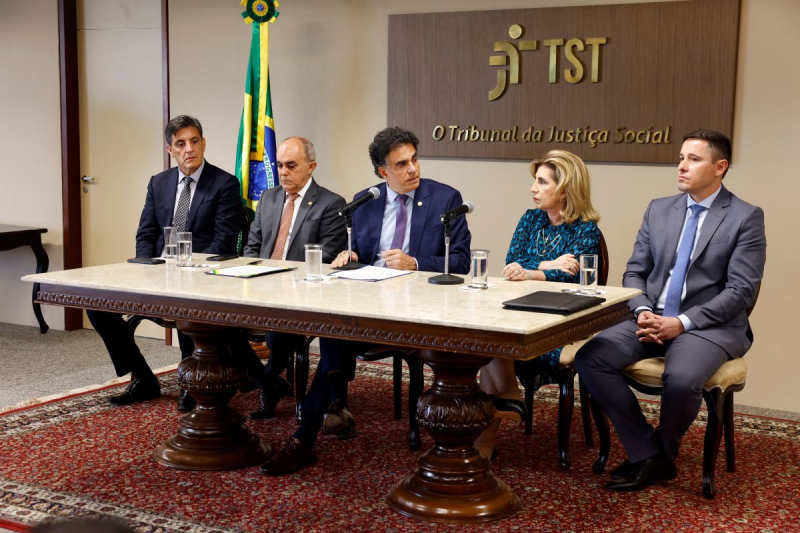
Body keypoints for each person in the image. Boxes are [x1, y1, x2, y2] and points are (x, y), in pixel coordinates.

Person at [260, 126, 472, 475]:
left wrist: (415, 262)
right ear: (382, 172)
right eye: (401, 164)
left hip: (414, 308)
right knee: (334, 322)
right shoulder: (366, 201)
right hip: (366, 301)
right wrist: (350, 255)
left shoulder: (445, 199)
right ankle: (324, 414)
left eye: (414, 160)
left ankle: (312, 427)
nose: (413, 169)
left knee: (336, 332)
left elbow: (461, 262)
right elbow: (359, 251)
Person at [574, 129, 766, 492]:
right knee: (591, 357)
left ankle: (661, 451)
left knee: (680, 378)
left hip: (707, 326)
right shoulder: (658, 209)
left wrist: (682, 322)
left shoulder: (745, 217)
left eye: (693, 159)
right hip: (650, 316)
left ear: (720, 167)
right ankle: (649, 453)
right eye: (681, 158)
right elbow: (635, 272)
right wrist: (642, 309)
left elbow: (741, 290)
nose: (681, 166)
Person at [86, 115, 243, 411]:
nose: (189, 149)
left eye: (194, 141)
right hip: (158, 272)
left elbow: (224, 241)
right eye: (180, 144)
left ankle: (191, 382)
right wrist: (146, 270)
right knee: (96, 305)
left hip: (200, 277)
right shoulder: (158, 182)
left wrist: (190, 272)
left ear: (204, 143)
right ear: (170, 150)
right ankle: (144, 378)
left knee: (185, 304)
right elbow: (146, 233)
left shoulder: (224, 183)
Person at [474, 150, 601, 461]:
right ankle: (504, 402)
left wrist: (531, 271)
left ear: (565, 189)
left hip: (559, 323)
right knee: (489, 336)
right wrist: (548, 264)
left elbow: (570, 278)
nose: (533, 188)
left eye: (542, 182)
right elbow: (511, 263)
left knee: (496, 346)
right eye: (535, 181)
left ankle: (487, 437)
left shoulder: (586, 229)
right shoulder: (530, 218)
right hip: (520, 310)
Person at [230, 137, 347, 419]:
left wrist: (284, 280)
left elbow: (327, 257)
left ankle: (265, 381)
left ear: (311, 166)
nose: (283, 172)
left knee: (279, 329)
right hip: (258, 283)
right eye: (280, 165)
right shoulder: (269, 198)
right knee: (218, 321)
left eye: (291, 165)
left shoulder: (331, 203)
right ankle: (268, 382)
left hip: (298, 292)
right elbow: (252, 248)